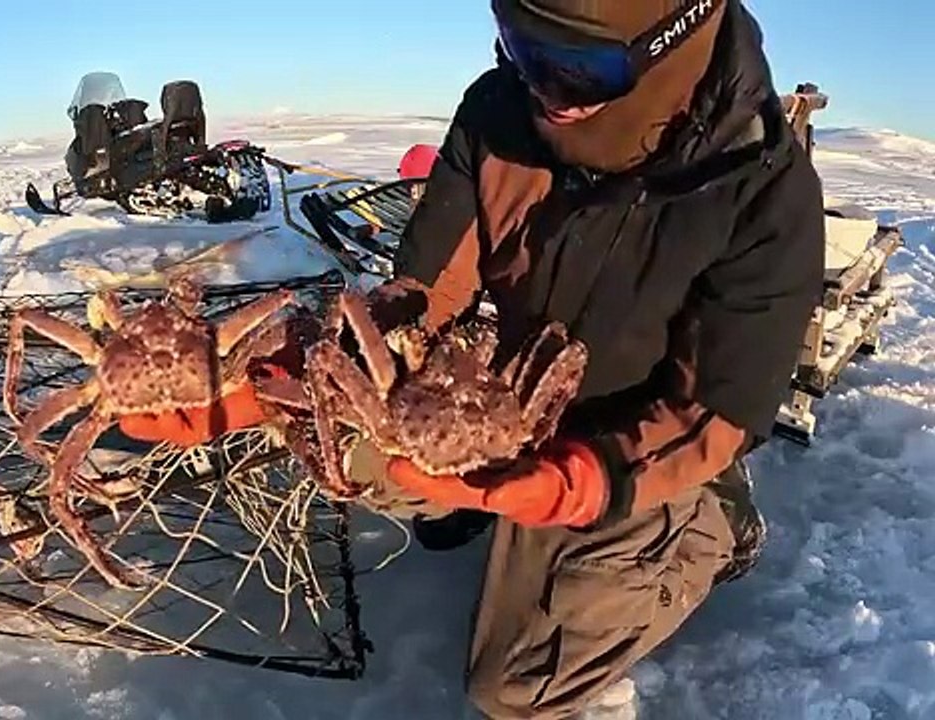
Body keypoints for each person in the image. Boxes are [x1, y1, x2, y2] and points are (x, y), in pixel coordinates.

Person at [343, 0, 825, 717]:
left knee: (513, 689)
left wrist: (581, 484)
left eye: (580, 67)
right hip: (507, 405)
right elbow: (425, 293)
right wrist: (294, 377)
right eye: (521, 47)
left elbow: (715, 410)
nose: (546, 89)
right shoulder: (496, 112)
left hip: (632, 442)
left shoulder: (762, 190)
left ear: (671, 45)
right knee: (355, 452)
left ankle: (710, 528)